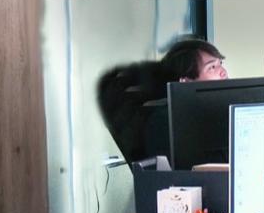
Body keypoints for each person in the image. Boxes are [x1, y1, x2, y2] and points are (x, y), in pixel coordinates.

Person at [95, 36, 228, 163]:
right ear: (186, 81)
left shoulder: (216, 112)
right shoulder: (165, 122)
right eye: (212, 67)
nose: (223, 72)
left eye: (220, 63)